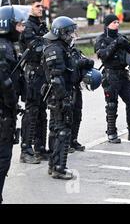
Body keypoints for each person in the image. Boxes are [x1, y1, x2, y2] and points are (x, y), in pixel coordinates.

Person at [94, 14, 130, 143]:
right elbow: (103, 55)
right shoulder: (101, 39)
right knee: (111, 105)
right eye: (114, 22)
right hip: (110, 75)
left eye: (118, 22)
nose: (117, 24)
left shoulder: (121, 37)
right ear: (107, 24)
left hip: (123, 73)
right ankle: (111, 133)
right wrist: (115, 44)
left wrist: (125, 43)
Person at [42, 16, 78, 180]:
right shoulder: (54, 50)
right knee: (62, 131)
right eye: (70, 33)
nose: (72, 36)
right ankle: (59, 167)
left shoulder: (61, 48)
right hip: (59, 96)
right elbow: (56, 79)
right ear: (61, 33)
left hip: (60, 95)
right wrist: (65, 99)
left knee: (57, 130)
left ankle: (53, 164)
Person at [0, 6, 26, 203]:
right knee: (3, 157)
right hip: (3, 111)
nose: (21, 29)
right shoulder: (3, 49)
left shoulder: (8, 46)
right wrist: (11, 103)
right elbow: (5, 81)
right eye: (18, 25)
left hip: (6, 110)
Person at [19, 0, 49, 164]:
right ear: (29, 7)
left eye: (41, 6)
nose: (41, 8)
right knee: (31, 111)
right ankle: (26, 149)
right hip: (32, 72)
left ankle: (40, 148)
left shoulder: (41, 25)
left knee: (42, 111)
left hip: (43, 73)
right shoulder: (27, 26)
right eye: (38, 6)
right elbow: (35, 49)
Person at [69, 47, 96, 152]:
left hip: (76, 87)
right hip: (67, 88)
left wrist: (82, 62)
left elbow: (90, 62)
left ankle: (73, 140)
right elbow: (69, 65)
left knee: (77, 115)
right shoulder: (61, 50)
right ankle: (65, 143)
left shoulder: (75, 51)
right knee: (66, 117)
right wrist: (78, 63)